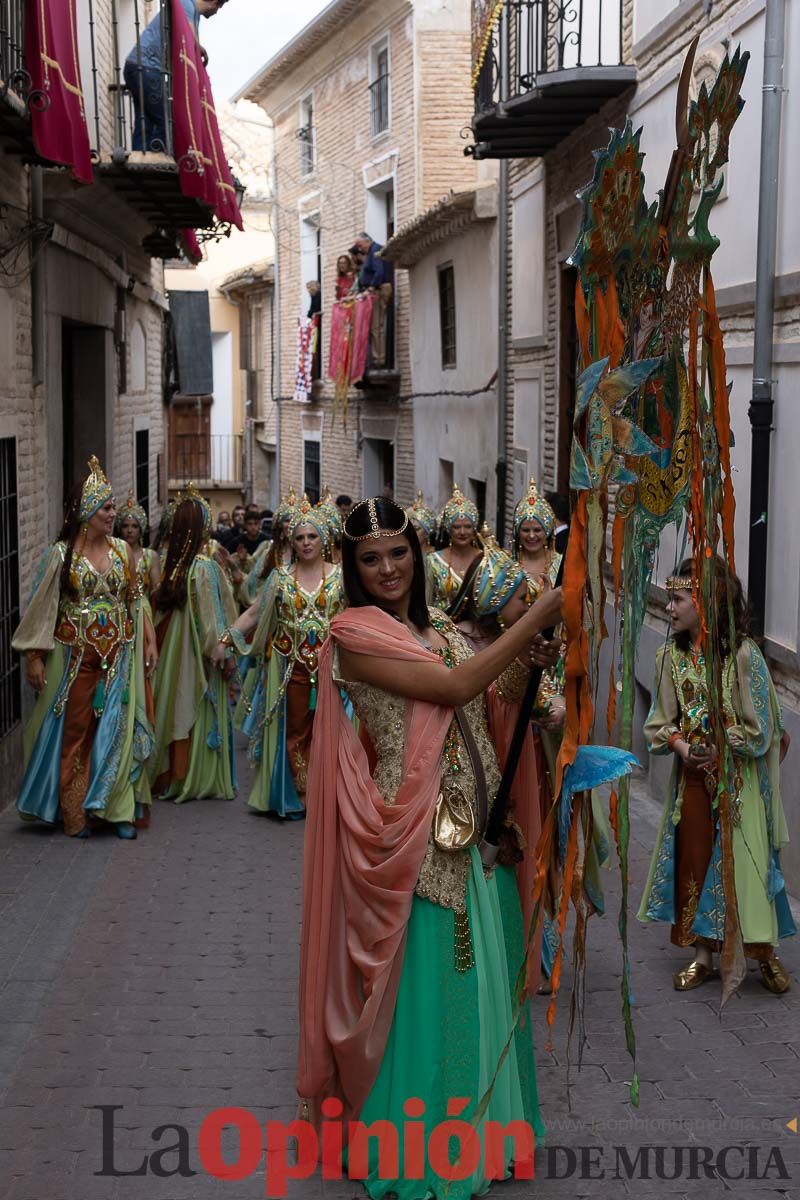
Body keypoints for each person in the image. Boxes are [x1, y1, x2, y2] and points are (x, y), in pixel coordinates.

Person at [296, 497, 562, 1198]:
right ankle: (421, 1153)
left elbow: (483, 700)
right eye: (371, 558)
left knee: (481, 983)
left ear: (418, 552)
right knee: (430, 991)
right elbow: (450, 685)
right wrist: (539, 612)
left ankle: (482, 1138)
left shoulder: (441, 625)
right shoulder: (353, 634)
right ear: (353, 569)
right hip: (412, 839)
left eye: (399, 551)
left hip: (474, 830)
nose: (388, 567)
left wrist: (527, 667)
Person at [638, 559, 795, 993]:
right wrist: (682, 747)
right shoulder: (669, 657)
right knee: (695, 861)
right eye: (670, 598)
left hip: (740, 781)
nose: (669, 608)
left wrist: (724, 744)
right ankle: (704, 955)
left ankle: (763, 952)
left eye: (677, 599)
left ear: (705, 605)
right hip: (692, 780)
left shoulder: (744, 657)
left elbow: (762, 727)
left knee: (748, 865)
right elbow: (659, 721)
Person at [12, 457, 156, 839]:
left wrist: (148, 640)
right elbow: (41, 609)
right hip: (76, 659)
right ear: (87, 511)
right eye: (106, 508)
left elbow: (135, 600)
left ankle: (117, 810)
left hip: (120, 657)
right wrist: (35, 656)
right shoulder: (60, 556)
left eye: (112, 507)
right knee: (76, 732)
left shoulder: (124, 552)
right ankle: (75, 810)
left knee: (119, 731)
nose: (113, 514)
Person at [211, 495, 345, 818]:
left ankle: (329, 795)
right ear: (291, 541)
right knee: (295, 732)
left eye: (312, 536)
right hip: (291, 668)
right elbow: (254, 614)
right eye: (299, 538)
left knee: (332, 732)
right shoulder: (281, 579)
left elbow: (360, 616)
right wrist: (225, 640)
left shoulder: (341, 577)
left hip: (333, 669)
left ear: (323, 538)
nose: (306, 542)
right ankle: (300, 794)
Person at [148, 487, 236, 804]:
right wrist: (223, 651)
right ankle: (199, 776)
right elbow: (211, 618)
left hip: (175, 654)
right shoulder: (204, 568)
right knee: (198, 706)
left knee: (175, 706)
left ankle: (172, 775)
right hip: (198, 656)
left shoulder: (172, 569)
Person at [124, 0, 227, 152]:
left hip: (137, 66)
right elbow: (189, 36)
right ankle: (158, 158)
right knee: (167, 120)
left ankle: (141, 158)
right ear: (214, 2)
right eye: (220, 7)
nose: (217, 12)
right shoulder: (187, 3)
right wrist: (201, 50)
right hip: (147, 67)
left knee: (145, 121)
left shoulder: (192, 12)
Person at [427, 484, 482, 612]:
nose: (462, 532)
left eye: (468, 527)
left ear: (474, 529)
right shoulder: (433, 562)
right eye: (456, 527)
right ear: (448, 529)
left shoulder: (485, 559)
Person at [513, 476, 562, 597]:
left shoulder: (560, 564)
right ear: (518, 532)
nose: (531, 535)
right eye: (525, 530)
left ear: (547, 532)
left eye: (537, 530)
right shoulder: (508, 564)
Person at [354, 231, 394, 366]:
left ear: (367, 241)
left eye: (359, 245)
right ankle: (377, 358)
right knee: (375, 326)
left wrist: (370, 288)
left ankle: (379, 360)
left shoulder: (375, 250)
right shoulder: (371, 251)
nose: (359, 248)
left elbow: (379, 272)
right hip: (376, 289)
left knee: (376, 327)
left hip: (378, 289)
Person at [115, 492, 160, 602]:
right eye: (125, 526)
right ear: (120, 529)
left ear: (141, 530)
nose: (129, 531)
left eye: (134, 526)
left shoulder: (150, 556)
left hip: (142, 613)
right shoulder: (113, 554)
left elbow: (156, 590)